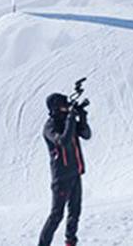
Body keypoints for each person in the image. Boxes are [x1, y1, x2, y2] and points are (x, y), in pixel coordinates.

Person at [38, 93, 92, 246]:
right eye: (63, 105)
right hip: (61, 178)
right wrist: (70, 119)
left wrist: (82, 118)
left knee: (75, 212)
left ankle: (70, 242)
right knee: (57, 215)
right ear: (55, 107)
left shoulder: (68, 121)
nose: (67, 107)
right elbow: (63, 141)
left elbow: (86, 134)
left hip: (75, 173)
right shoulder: (50, 126)